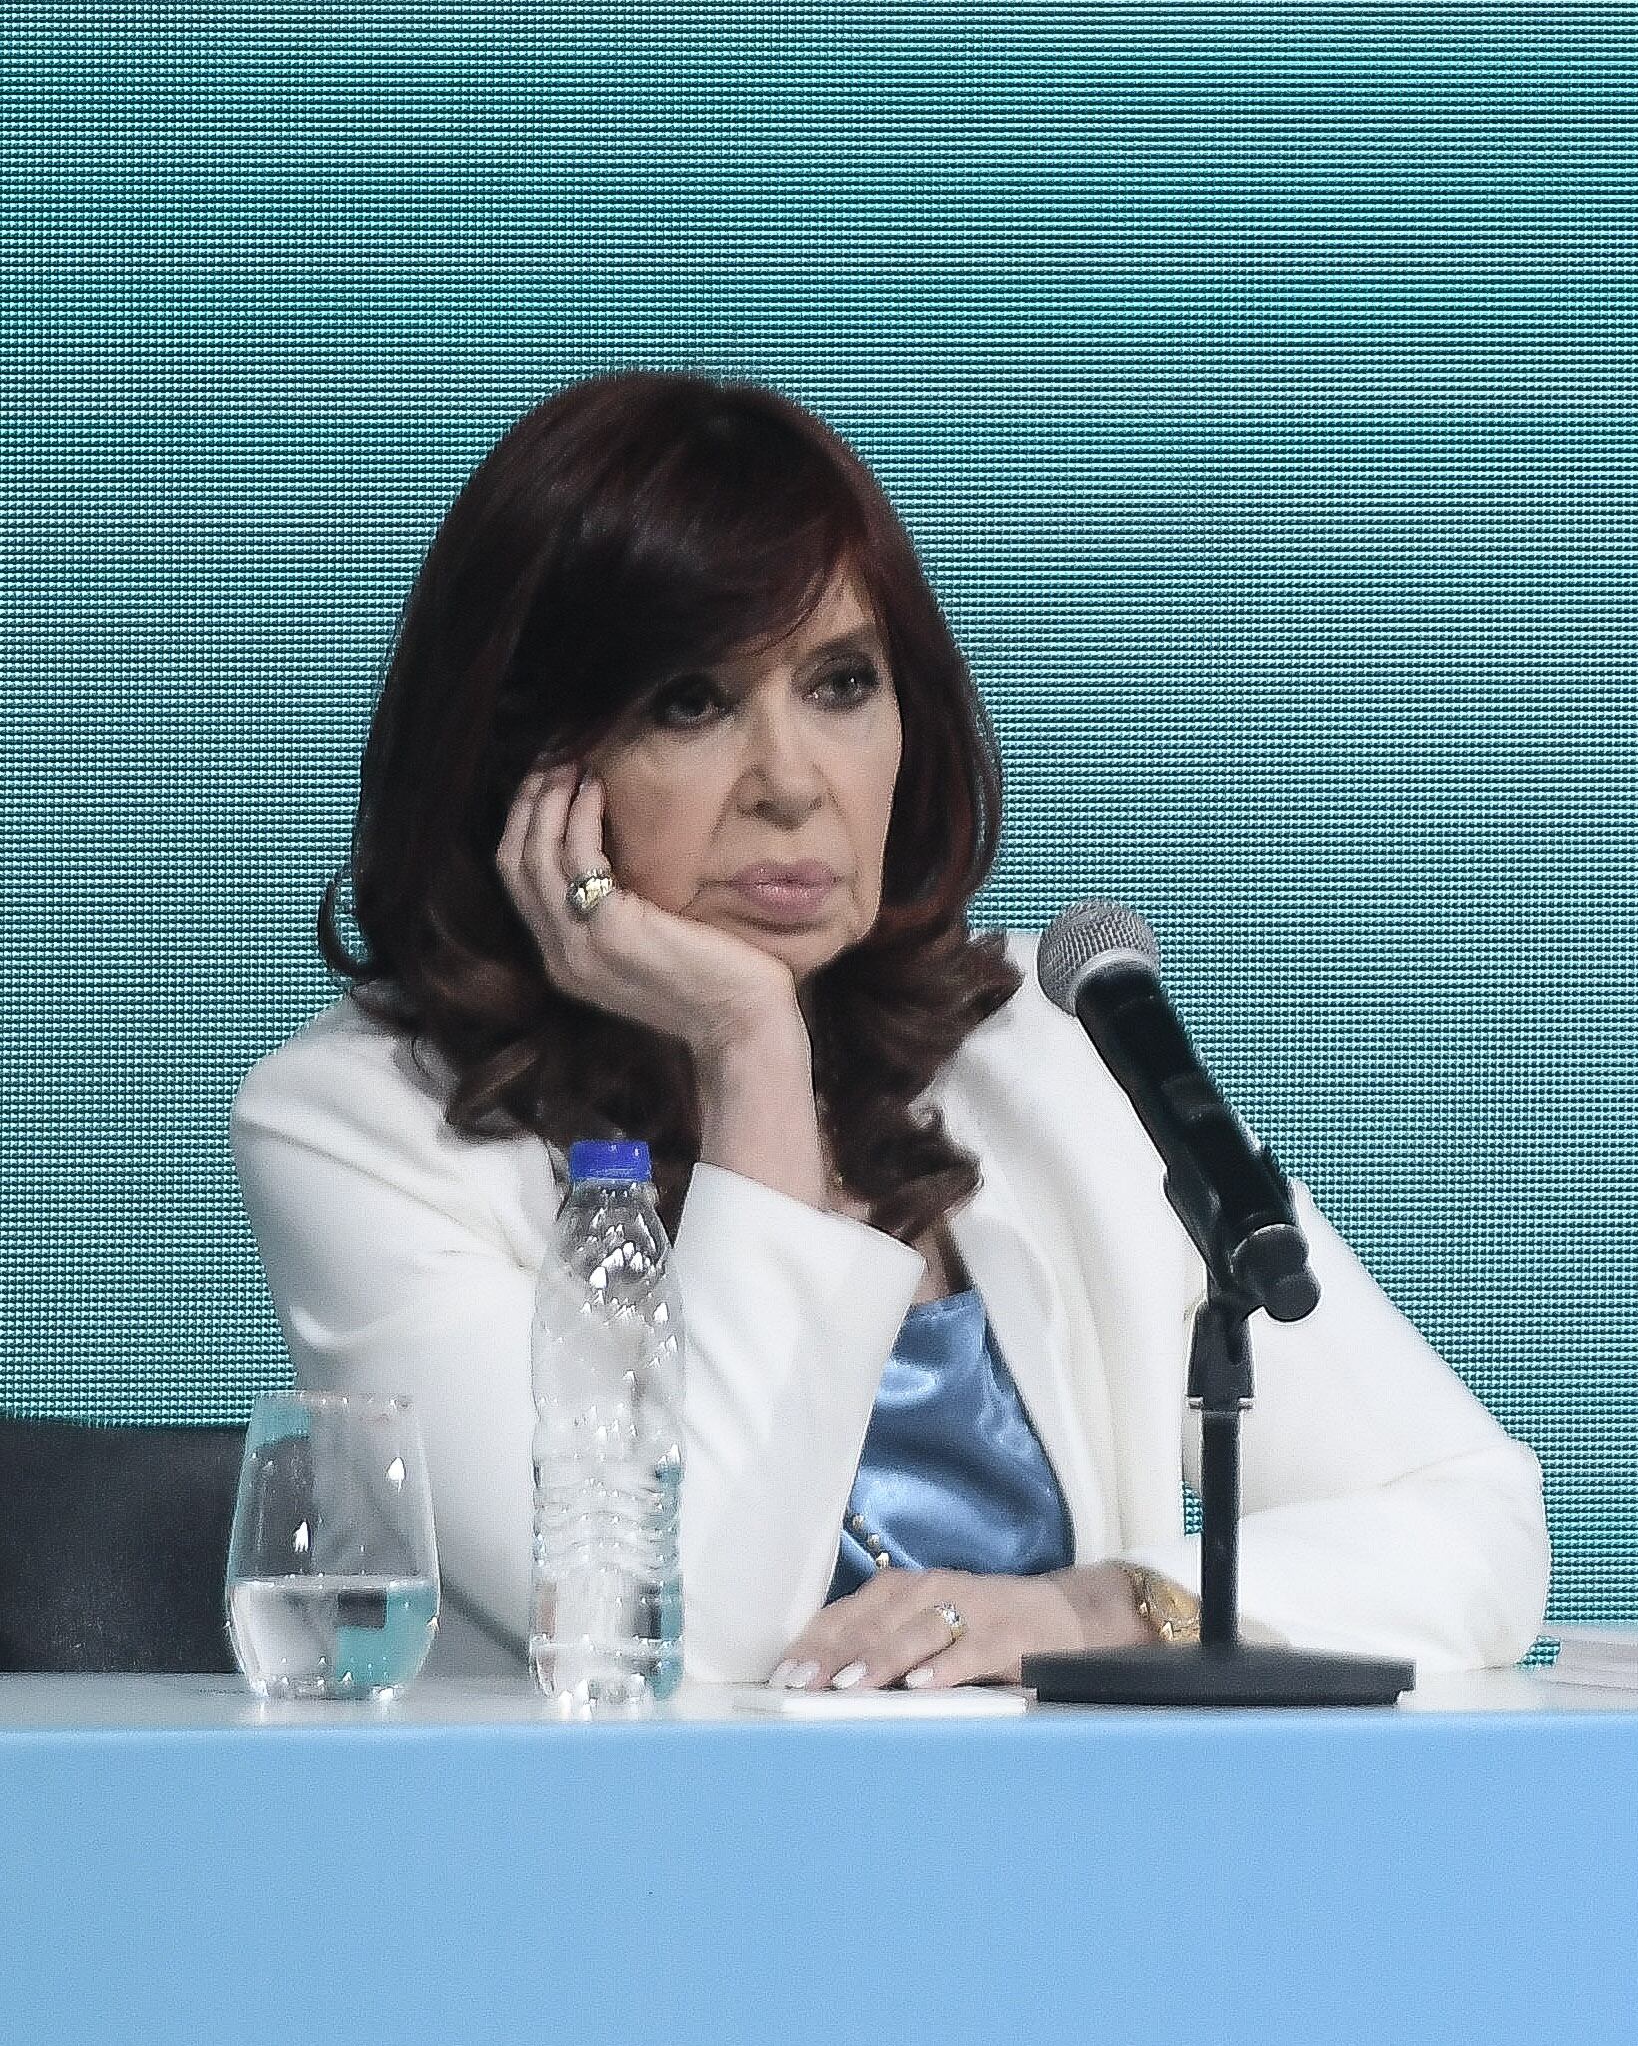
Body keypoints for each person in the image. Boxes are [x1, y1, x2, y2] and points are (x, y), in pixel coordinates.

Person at [235, 371, 1549, 1690]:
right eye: (691, 702)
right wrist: (751, 1044)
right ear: (527, 763)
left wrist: (1105, 1609)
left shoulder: (1043, 1041)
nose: (793, 781)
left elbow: (1478, 1518)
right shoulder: (355, 1130)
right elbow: (679, 1643)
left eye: (842, 683)